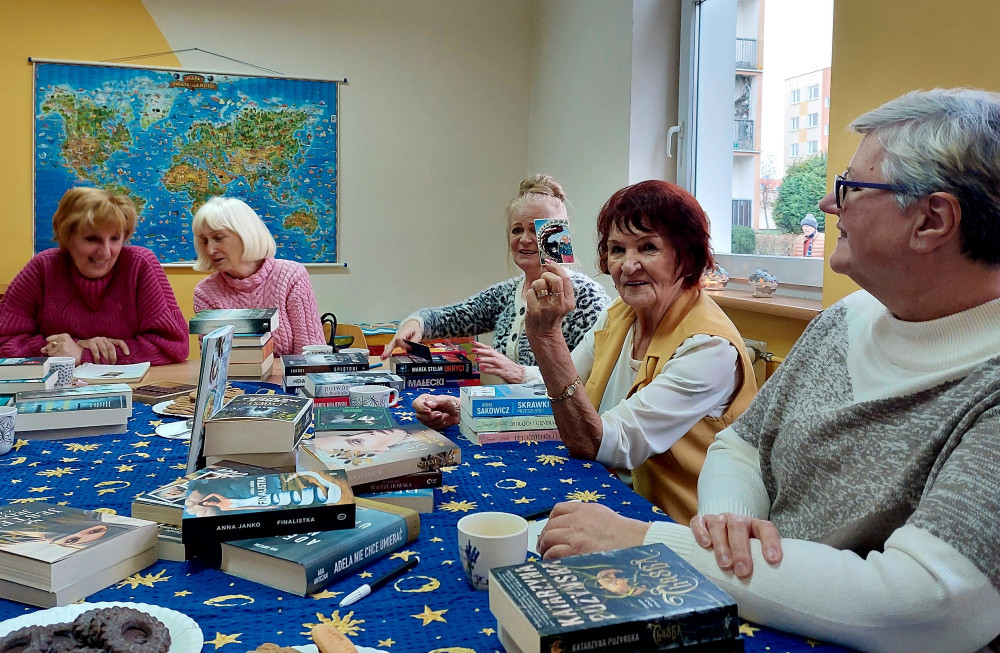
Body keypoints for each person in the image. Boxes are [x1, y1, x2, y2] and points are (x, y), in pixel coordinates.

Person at [535, 89, 1000, 652]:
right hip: (750, 600)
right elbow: (743, 445)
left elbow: (924, 605)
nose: (828, 204)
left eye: (851, 188)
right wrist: (728, 529)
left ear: (932, 220)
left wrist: (656, 546)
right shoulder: (843, 320)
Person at [416, 180, 758, 525]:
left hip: (672, 524)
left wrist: (546, 337)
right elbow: (557, 392)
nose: (628, 265)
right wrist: (472, 410)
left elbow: (608, 443)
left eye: (648, 247)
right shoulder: (620, 313)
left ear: (688, 256)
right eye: (617, 249)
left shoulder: (708, 348)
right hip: (603, 488)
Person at [382, 175, 610, 382]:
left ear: (559, 234)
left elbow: (592, 377)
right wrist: (416, 323)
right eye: (517, 230)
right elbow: (451, 317)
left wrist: (522, 374)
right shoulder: (508, 292)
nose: (524, 239)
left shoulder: (588, 298)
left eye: (535, 229)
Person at [0, 187, 188, 365]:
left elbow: (174, 345)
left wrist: (85, 354)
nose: (105, 252)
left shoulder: (140, 265)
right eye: (92, 239)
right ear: (67, 237)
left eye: (115, 238)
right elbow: (5, 342)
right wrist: (61, 348)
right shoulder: (42, 268)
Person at [191, 197, 325, 357]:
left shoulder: (291, 276)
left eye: (218, 238)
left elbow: (312, 355)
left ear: (245, 234)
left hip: (292, 374)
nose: (210, 250)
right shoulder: (205, 293)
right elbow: (214, 361)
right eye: (204, 241)